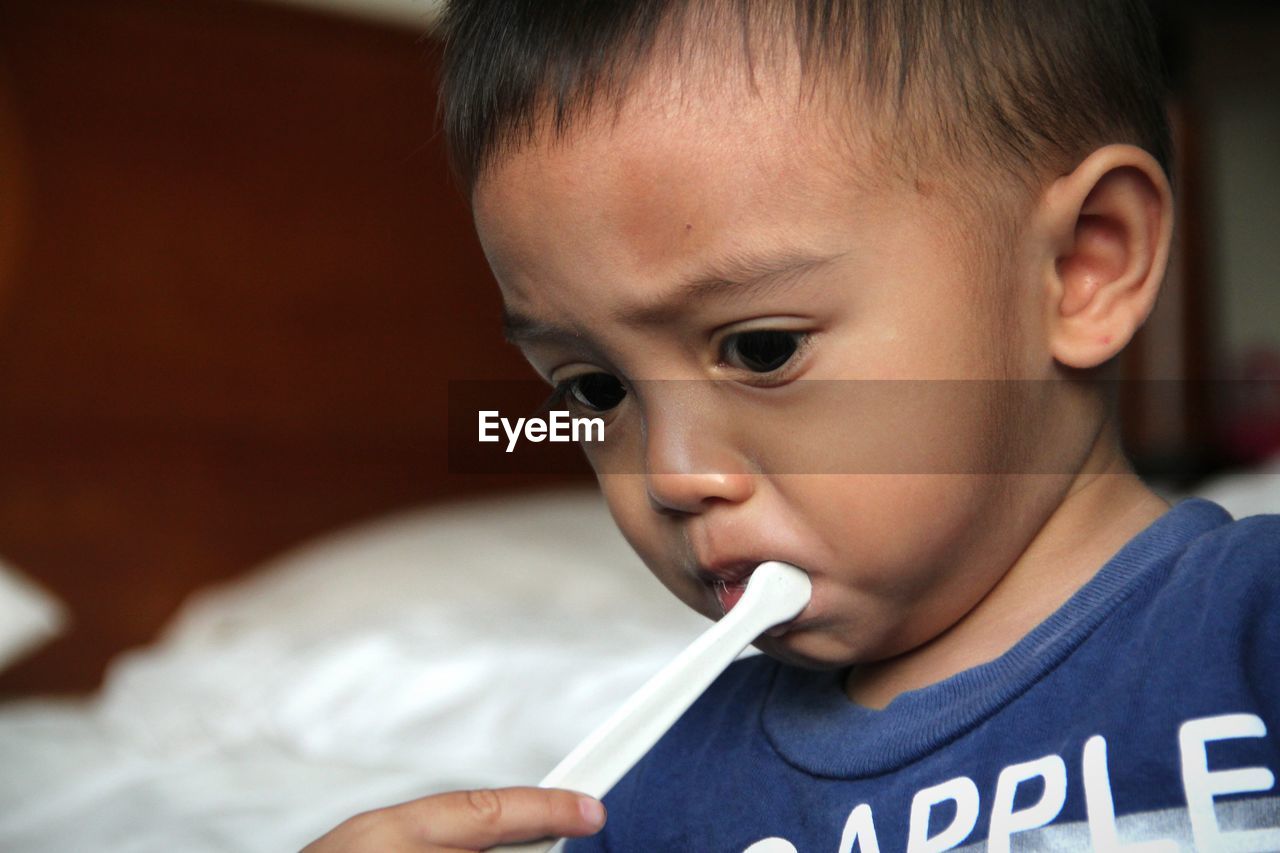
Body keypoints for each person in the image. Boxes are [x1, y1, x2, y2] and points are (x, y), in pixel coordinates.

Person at [307, 0, 1280, 849]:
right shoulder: (641, 803)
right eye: (596, 389)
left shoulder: (1250, 630)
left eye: (761, 349)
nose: (672, 475)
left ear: (1079, 267)